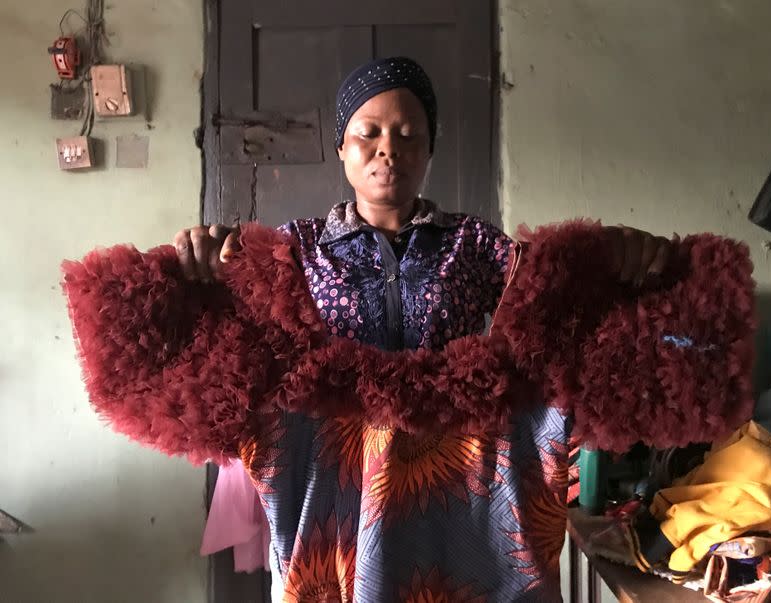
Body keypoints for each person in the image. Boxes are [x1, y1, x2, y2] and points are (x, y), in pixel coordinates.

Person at [172, 57, 671, 601]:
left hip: (452, 495)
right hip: (337, 497)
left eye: (409, 135)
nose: (389, 148)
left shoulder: (473, 246)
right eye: (370, 133)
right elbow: (235, 331)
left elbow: (550, 302)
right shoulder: (296, 250)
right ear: (342, 146)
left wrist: (616, 261)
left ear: (429, 151)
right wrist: (208, 261)